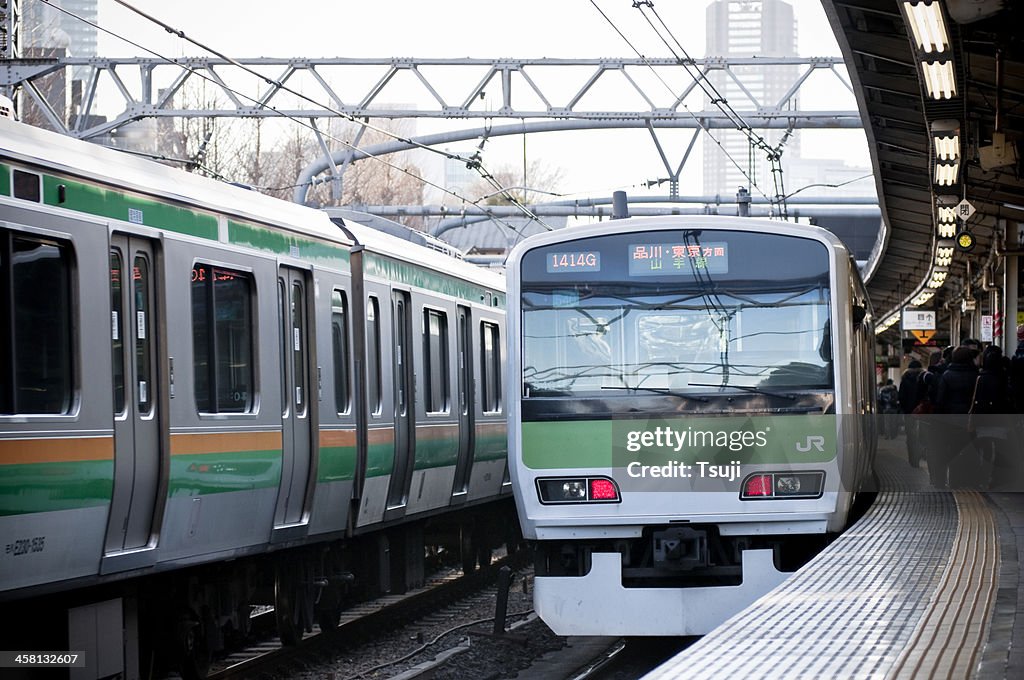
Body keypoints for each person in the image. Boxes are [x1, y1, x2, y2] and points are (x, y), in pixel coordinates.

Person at [928, 346, 979, 488]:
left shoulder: (947, 375)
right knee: (965, 450)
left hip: (949, 420)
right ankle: (960, 480)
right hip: (970, 420)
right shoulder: (976, 375)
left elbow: (941, 400)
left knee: (949, 450)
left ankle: (947, 481)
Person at [898, 360, 924, 466]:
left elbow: (901, 397)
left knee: (910, 437)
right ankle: (918, 458)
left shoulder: (905, 379)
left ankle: (912, 460)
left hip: (909, 413)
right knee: (921, 436)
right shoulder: (923, 378)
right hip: (922, 413)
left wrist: (905, 409)